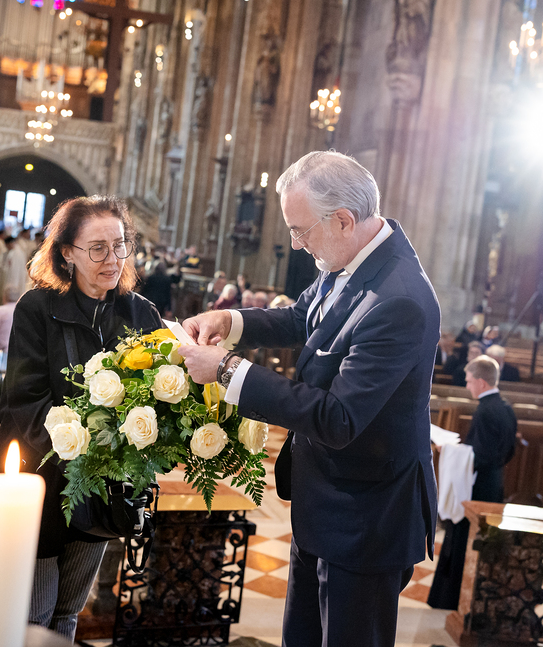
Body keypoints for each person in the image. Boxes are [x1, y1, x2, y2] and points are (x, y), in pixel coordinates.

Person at [179, 151, 439, 647]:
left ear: (343, 220)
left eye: (300, 231)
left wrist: (229, 370)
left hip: (366, 516)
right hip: (324, 500)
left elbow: (338, 418)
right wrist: (230, 321)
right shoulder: (351, 256)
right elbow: (304, 317)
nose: (296, 244)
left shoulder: (400, 298)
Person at [0, 196, 163, 641]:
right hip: (40, 478)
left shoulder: (140, 313)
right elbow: (25, 400)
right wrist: (82, 453)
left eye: (120, 245)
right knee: (35, 613)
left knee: (69, 611)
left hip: (103, 488)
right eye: (98, 248)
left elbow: (159, 400)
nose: (112, 259)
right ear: (67, 253)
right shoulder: (36, 308)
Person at [427, 356, 517, 610]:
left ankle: (455, 598)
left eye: (468, 381)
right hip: (493, 483)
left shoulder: (486, 410)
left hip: (478, 487)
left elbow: (482, 457)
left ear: (480, 382)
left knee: (467, 539)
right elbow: (507, 451)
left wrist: (448, 450)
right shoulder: (505, 407)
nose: (467, 386)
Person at [0, 286, 20, 352]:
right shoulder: (21, 310)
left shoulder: (0, 311)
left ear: (4, 297)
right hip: (18, 350)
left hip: (2, 350)